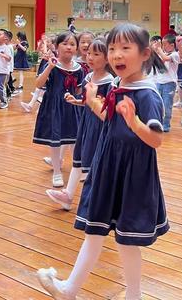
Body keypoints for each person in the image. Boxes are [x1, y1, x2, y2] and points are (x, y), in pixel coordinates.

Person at [37, 24, 169, 300]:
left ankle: (133, 294)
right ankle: (69, 289)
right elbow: (110, 117)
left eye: (124, 48)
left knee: (126, 240)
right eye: (112, 49)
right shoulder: (121, 86)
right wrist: (91, 101)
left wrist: (133, 121)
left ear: (145, 54)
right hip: (108, 165)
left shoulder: (147, 94)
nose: (116, 55)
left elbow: (155, 140)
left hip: (131, 173)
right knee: (94, 231)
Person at [46, 38, 114, 211]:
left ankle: (102, 200)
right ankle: (68, 195)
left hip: (100, 128)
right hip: (86, 123)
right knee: (78, 158)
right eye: (89, 53)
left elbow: (106, 110)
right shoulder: (89, 76)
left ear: (107, 58)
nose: (90, 57)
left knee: (95, 163)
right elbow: (87, 101)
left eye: (96, 54)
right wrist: (75, 101)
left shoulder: (109, 81)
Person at [32, 32, 84, 188]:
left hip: (72, 107)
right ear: (56, 46)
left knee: (75, 139)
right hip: (54, 106)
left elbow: (79, 90)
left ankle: (78, 168)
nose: (69, 47)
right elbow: (38, 84)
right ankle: (56, 172)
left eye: (72, 44)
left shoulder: (79, 68)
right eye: (65, 44)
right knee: (55, 140)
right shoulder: (51, 64)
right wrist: (50, 66)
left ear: (76, 48)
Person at [21, 34, 55, 112]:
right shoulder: (50, 49)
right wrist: (42, 43)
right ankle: (32, 105)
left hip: (49, 69)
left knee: (42, 89)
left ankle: (37, 106)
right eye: (48, 41)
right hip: (45, 66)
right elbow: (38, 51)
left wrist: (45, 43)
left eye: (49, 42)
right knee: (39, 88)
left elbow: (46, 55)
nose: (48, 43)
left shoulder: (54, 51)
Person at [154, 34, 178, 132]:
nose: (163, 46)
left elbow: (165, 59)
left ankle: (166, 125)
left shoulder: (175, 55)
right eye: (162, 44)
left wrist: (158, 49)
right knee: (157, 104)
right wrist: (155, 49)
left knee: (167, 105)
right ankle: (157, 122)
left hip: (169, 83)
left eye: (165, 44)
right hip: (159, 82)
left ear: (172, 45)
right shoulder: (161, 52)